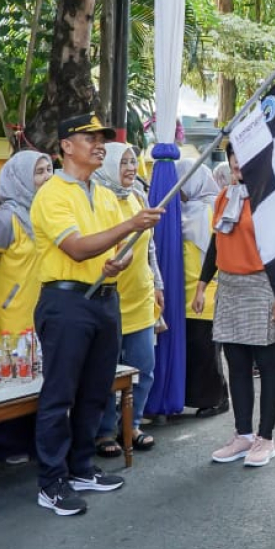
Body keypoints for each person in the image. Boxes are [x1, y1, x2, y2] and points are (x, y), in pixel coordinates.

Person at [30, 114, 162, 516]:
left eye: (102, 138)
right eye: (89, 137)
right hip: (66, 302)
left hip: (104, 299)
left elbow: (105, 250)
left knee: (95, 388)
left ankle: (82, 467)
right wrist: (130, 225)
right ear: (66, 146)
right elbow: (77, 248)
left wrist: (113, 263)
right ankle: (51, 482)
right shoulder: (53, 193)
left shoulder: (103, 195)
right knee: (60, 394)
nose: (99, 143)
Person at [195, 146, 275, 467]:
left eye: (243, 154)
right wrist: (203, 284)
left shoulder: (270, 197)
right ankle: (243, 434)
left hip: (262, 285)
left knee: (267, 362)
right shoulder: (224, 196)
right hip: (230, 286)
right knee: (236, 363)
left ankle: (266, 437)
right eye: (233, 154)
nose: (237, 159)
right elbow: (214, 243)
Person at [0, 150, 54, 465]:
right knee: (7, 377)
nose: (47, 176)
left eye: (50, 169)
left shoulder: (48, 212)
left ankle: (31, 442)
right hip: (10, 310)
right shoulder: (6, 218)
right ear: (20, 177)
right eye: (39, 171)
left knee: (35, 375)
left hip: (39, 308)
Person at [93, 143, 163, 455]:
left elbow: (150, 248)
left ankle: (131, 425)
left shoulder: (138, 195)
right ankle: (105, 431)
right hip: (108, 297)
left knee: (144, 367)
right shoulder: (96, 196)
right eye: (123, 162)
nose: (130, 168)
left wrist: (158, 284)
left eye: (133, 162)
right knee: (107, 370)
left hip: (141, 294)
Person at [178, 158, 228, 417]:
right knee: (197, 348)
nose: (179, 188)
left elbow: (214, 253)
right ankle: (201, 397)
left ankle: (217, 399)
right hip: (185, 291)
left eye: (183, 181)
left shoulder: (210, 208)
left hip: (206, 290)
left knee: (206, 349)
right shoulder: (182, 211)